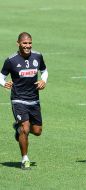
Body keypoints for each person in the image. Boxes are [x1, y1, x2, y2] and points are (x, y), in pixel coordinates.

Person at [0, 32, 48, 169]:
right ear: (18, 43)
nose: (28, 46)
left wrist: (43, 81)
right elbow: (1, 76)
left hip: (34, 100)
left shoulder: (38, 56)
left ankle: (18, 129)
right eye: (25, 43)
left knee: (37, 131)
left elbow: (44, 71)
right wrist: (4, 84)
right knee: (25, 129)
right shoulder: (11, 60)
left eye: (29, 43)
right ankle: (25, 159)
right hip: (18, 100)